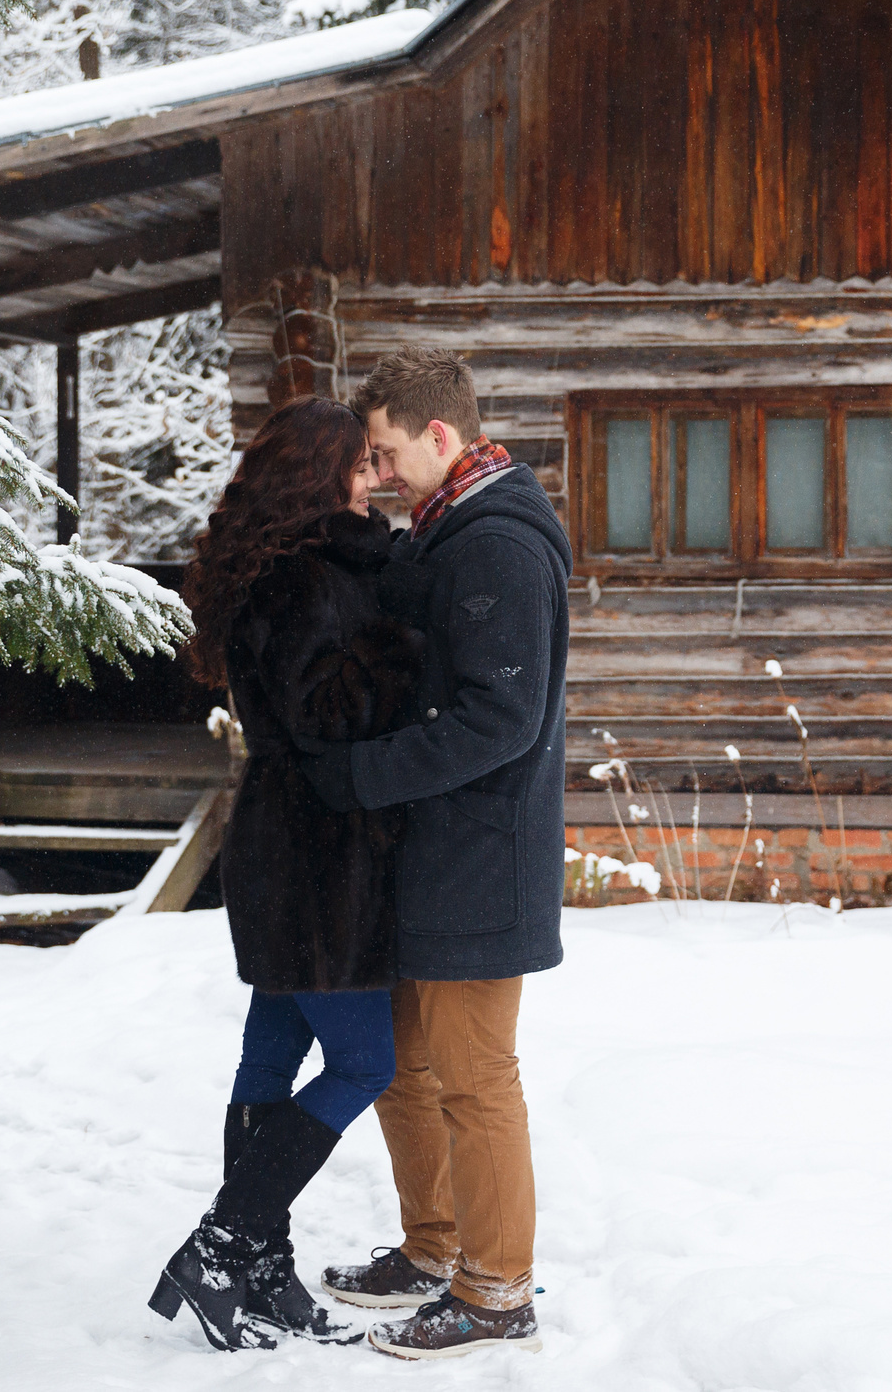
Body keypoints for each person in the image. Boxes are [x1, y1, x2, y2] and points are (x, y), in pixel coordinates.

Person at [297, 349, 571, 1361]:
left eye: (384, 452)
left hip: (480, 857)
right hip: (430, 851)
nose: (377, 473)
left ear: (440, 438)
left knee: (473, 1076)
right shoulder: (446, 527)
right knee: (404, 1065)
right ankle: (434, 1249)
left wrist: (363, 776)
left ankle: (497, 1295)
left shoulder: (497, 543)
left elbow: (501, 718)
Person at [150, 397, 427, 1352]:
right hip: (319, 855)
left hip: (286, 841)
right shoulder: (309, 578)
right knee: (364, 1061)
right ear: (320, 475)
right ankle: (225, 1244)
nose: (373, 479)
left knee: (272, 1054)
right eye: (358, 466)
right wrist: (402, 637)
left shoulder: (287, 568)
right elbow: (330, 712)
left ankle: (259, 1265)